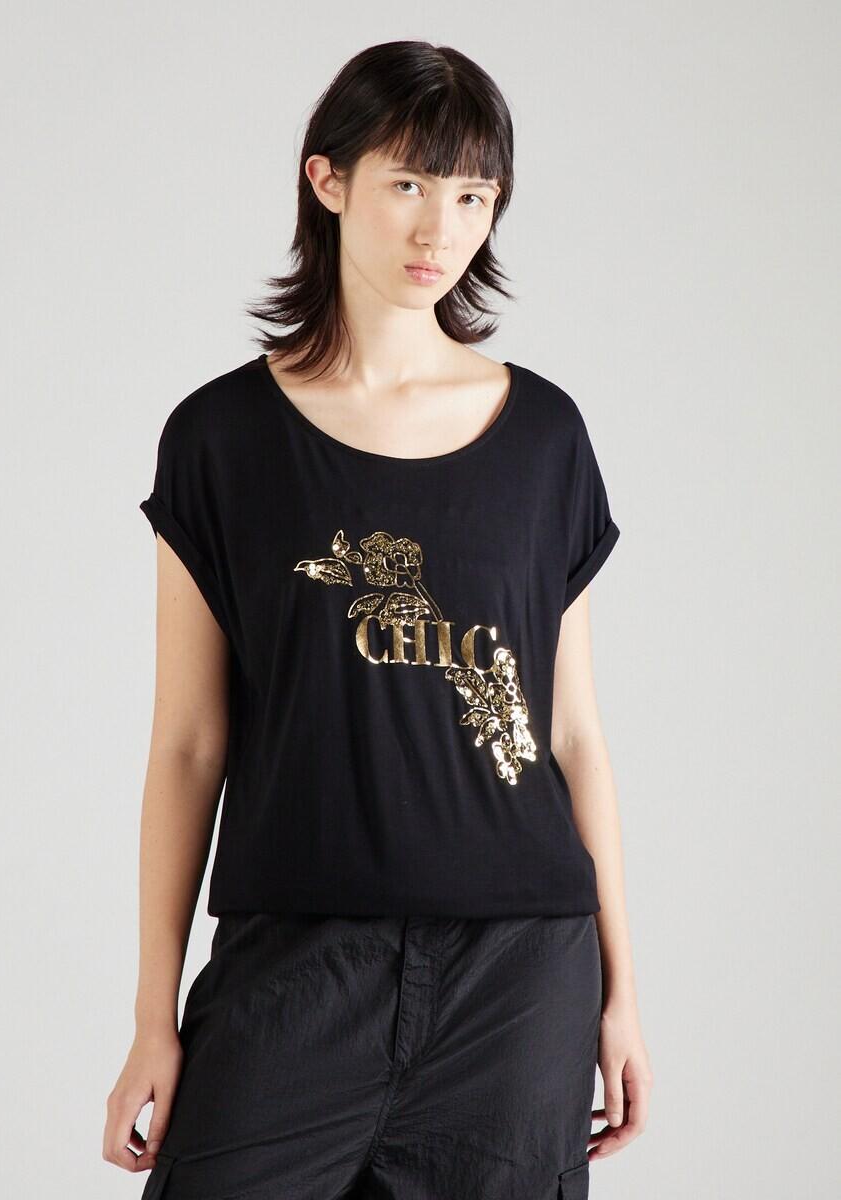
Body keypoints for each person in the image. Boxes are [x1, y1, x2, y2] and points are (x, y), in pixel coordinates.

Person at [103, 39, 653, 1200]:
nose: (439, 229)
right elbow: (190, 743)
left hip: (518, 979)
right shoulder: (221, 439)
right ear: (328, 180)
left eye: (474, 196)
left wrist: (621, 993)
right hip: (297, 968)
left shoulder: (546, 439)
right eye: (409, 182)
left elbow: (573, 736)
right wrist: (155, 1018)